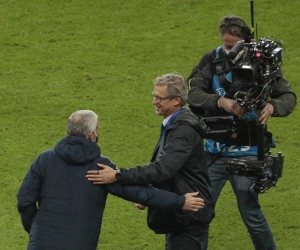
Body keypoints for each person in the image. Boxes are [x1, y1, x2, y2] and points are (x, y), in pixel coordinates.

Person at [16, 110, 206, 250]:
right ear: (92, 136)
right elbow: (139, 192)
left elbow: (24, 200)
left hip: (40, 242)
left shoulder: (46, 159)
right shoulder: (100, 167)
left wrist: (36, 228)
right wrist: (180, 201)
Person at [187, 15, 297, 250]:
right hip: (214, 150)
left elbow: (288, 97)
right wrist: (219, 101)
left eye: (233, 45)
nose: (229, 51)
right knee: (200, 212)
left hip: (247, 151)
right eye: (226, 45)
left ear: (246, 41)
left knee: (251, 215)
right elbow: (192, 93)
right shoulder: (212, 59)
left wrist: (272, 106)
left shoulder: (263, 63)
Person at [86, 73, 215, 250]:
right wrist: (152, 195)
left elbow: (162, 169)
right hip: (182, 214)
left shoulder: (182, 131)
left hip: (188, 217)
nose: (154, 102)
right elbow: (172, 169)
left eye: (159, 98)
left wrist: (118, 175)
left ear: (176, 100)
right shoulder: (174, 125)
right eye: (154, 96)